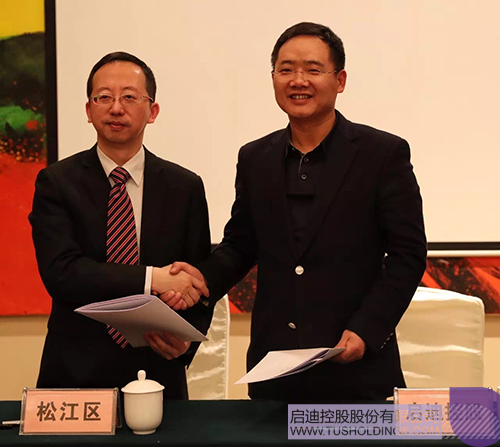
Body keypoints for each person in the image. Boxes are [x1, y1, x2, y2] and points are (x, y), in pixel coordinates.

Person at [169, 22, 427, 401]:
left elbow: (408, 255)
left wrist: (368, 329)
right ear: (273, 78)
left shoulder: (382, 154)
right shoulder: (255, 158)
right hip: (275, 369)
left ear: (339, 80)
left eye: (313, 69)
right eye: (286, 69)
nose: (298, 80)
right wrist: (201, 278)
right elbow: (241, 245)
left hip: (355, 365)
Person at [29, 52, 212, 399]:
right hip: (75, 371)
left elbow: (198, 277)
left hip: (158, 367)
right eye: (104, 97)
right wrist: (152, 278)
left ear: (152, 111)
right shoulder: (56, 182)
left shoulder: (184, 186)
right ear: (88, 110)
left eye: (129, 97)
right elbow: (62, 272)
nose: (116, 108)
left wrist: (186, 341)